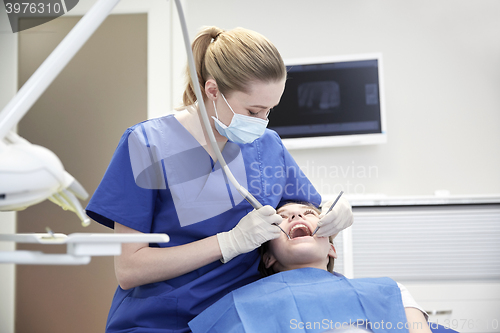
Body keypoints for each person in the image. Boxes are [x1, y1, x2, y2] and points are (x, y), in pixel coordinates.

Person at [85, 26, 354, 332]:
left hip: (245, 318)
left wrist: (336, 209)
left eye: (269, 110)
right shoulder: (147, 144)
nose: (262, 121)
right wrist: (228, 243)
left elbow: (303, 212)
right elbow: (130, 269)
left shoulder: (267, 145)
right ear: (212, 91)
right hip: (161, 322)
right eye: (252, 110)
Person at [188, 202, 431, 333]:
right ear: (268, 258)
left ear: (331, 248)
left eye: (308, 213)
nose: (296, 217)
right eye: (282, 217)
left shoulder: (389, 291)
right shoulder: (237, 306)